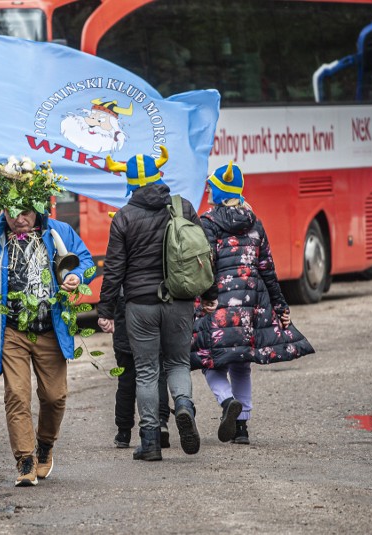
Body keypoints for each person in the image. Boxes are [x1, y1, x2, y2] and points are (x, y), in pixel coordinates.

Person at [0, 155, 94, 487]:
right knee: (17, 395)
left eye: (25, 212)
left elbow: (86, 262)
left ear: (37, 207)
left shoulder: (59, 232)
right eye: (11, 212)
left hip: (50, 328)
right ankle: (24, 459)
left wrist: (76, 276)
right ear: (1, 209)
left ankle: (46, 444)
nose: (19, 219)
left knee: (54, 397)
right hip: (13, 331)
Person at [191, 162, 315, 445]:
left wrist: (206, 298)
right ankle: (242, 427)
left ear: (220, 192)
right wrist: (281, 307)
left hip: (218, 304)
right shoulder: (254, 221)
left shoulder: (207, 223)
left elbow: (205, 265)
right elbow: (267, 268)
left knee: (211, 362)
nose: (208, 189)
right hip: (250, 304)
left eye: (212, 186)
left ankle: (226, 404)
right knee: (241, 364)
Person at [96, 145, 205, 462]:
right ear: (159, 177)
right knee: (178, 363)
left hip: (140, 306)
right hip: (180, 301)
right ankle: (183, 405)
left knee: (145, 371)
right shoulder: (182, 207)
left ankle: (150, 442)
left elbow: (114, 269)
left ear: (129, 182)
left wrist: (105, 312)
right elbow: (202, 256)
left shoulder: (125, 217)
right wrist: (208, 296)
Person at [111, 291, 172, 449]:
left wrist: (105, 310)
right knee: (157, 375)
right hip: (154, 308)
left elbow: (112, 280)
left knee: (126, 380)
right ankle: (160, 422)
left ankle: (123, 433)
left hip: (125, 314)